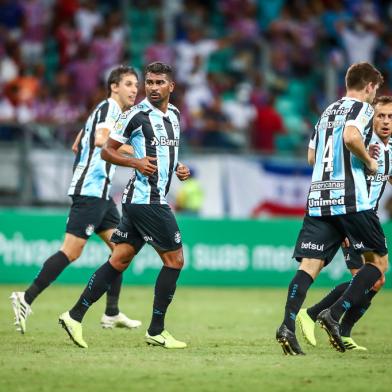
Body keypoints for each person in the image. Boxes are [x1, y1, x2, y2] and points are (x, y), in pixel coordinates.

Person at [58, 61, 191, 349]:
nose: (153, 88)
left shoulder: (176, 115)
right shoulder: (135, 115)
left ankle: (74, 315)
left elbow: (164, 153)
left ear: (171, 86)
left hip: (139, 202)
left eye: (159, 83)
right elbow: (107, 151)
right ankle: (157, 330)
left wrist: (178, 167)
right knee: (175, 260)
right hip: (147, 201)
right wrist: (136, 162)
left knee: (119, 260)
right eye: (149, 82)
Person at [10, 65, 142, 334]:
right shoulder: (110, 109)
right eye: (128, 84)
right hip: (90, 191)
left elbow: (81, 139)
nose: (134, 89)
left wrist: (84, 140)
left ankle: (111, 313)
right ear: (114, 86)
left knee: (121, 250)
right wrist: (137, 154)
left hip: (102, 195)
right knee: (71, 251)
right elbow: (101, 139)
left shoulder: (105, 110)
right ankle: (25, 298)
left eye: (135, 85)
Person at [276, 62, 388, 355]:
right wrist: (369, 161)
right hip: (351, 199)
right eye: (375, 89)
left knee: (308, 267)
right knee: (376, 266)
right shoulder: (361, 109)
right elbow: (351, 138)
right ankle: (332, 314)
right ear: (369, 86)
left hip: (318, 199)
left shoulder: (327, 112)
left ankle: (287, 325)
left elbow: (312, 157)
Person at [297, 95, 392, 351]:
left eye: (390, 117)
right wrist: (346, 227)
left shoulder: (389, 148)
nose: (385, 122)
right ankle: (325, 317)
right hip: (352, 215)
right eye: (380, 115)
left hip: (368, 219)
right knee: (367, 277)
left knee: (373, 279)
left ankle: (327, 320)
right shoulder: (362, 143)